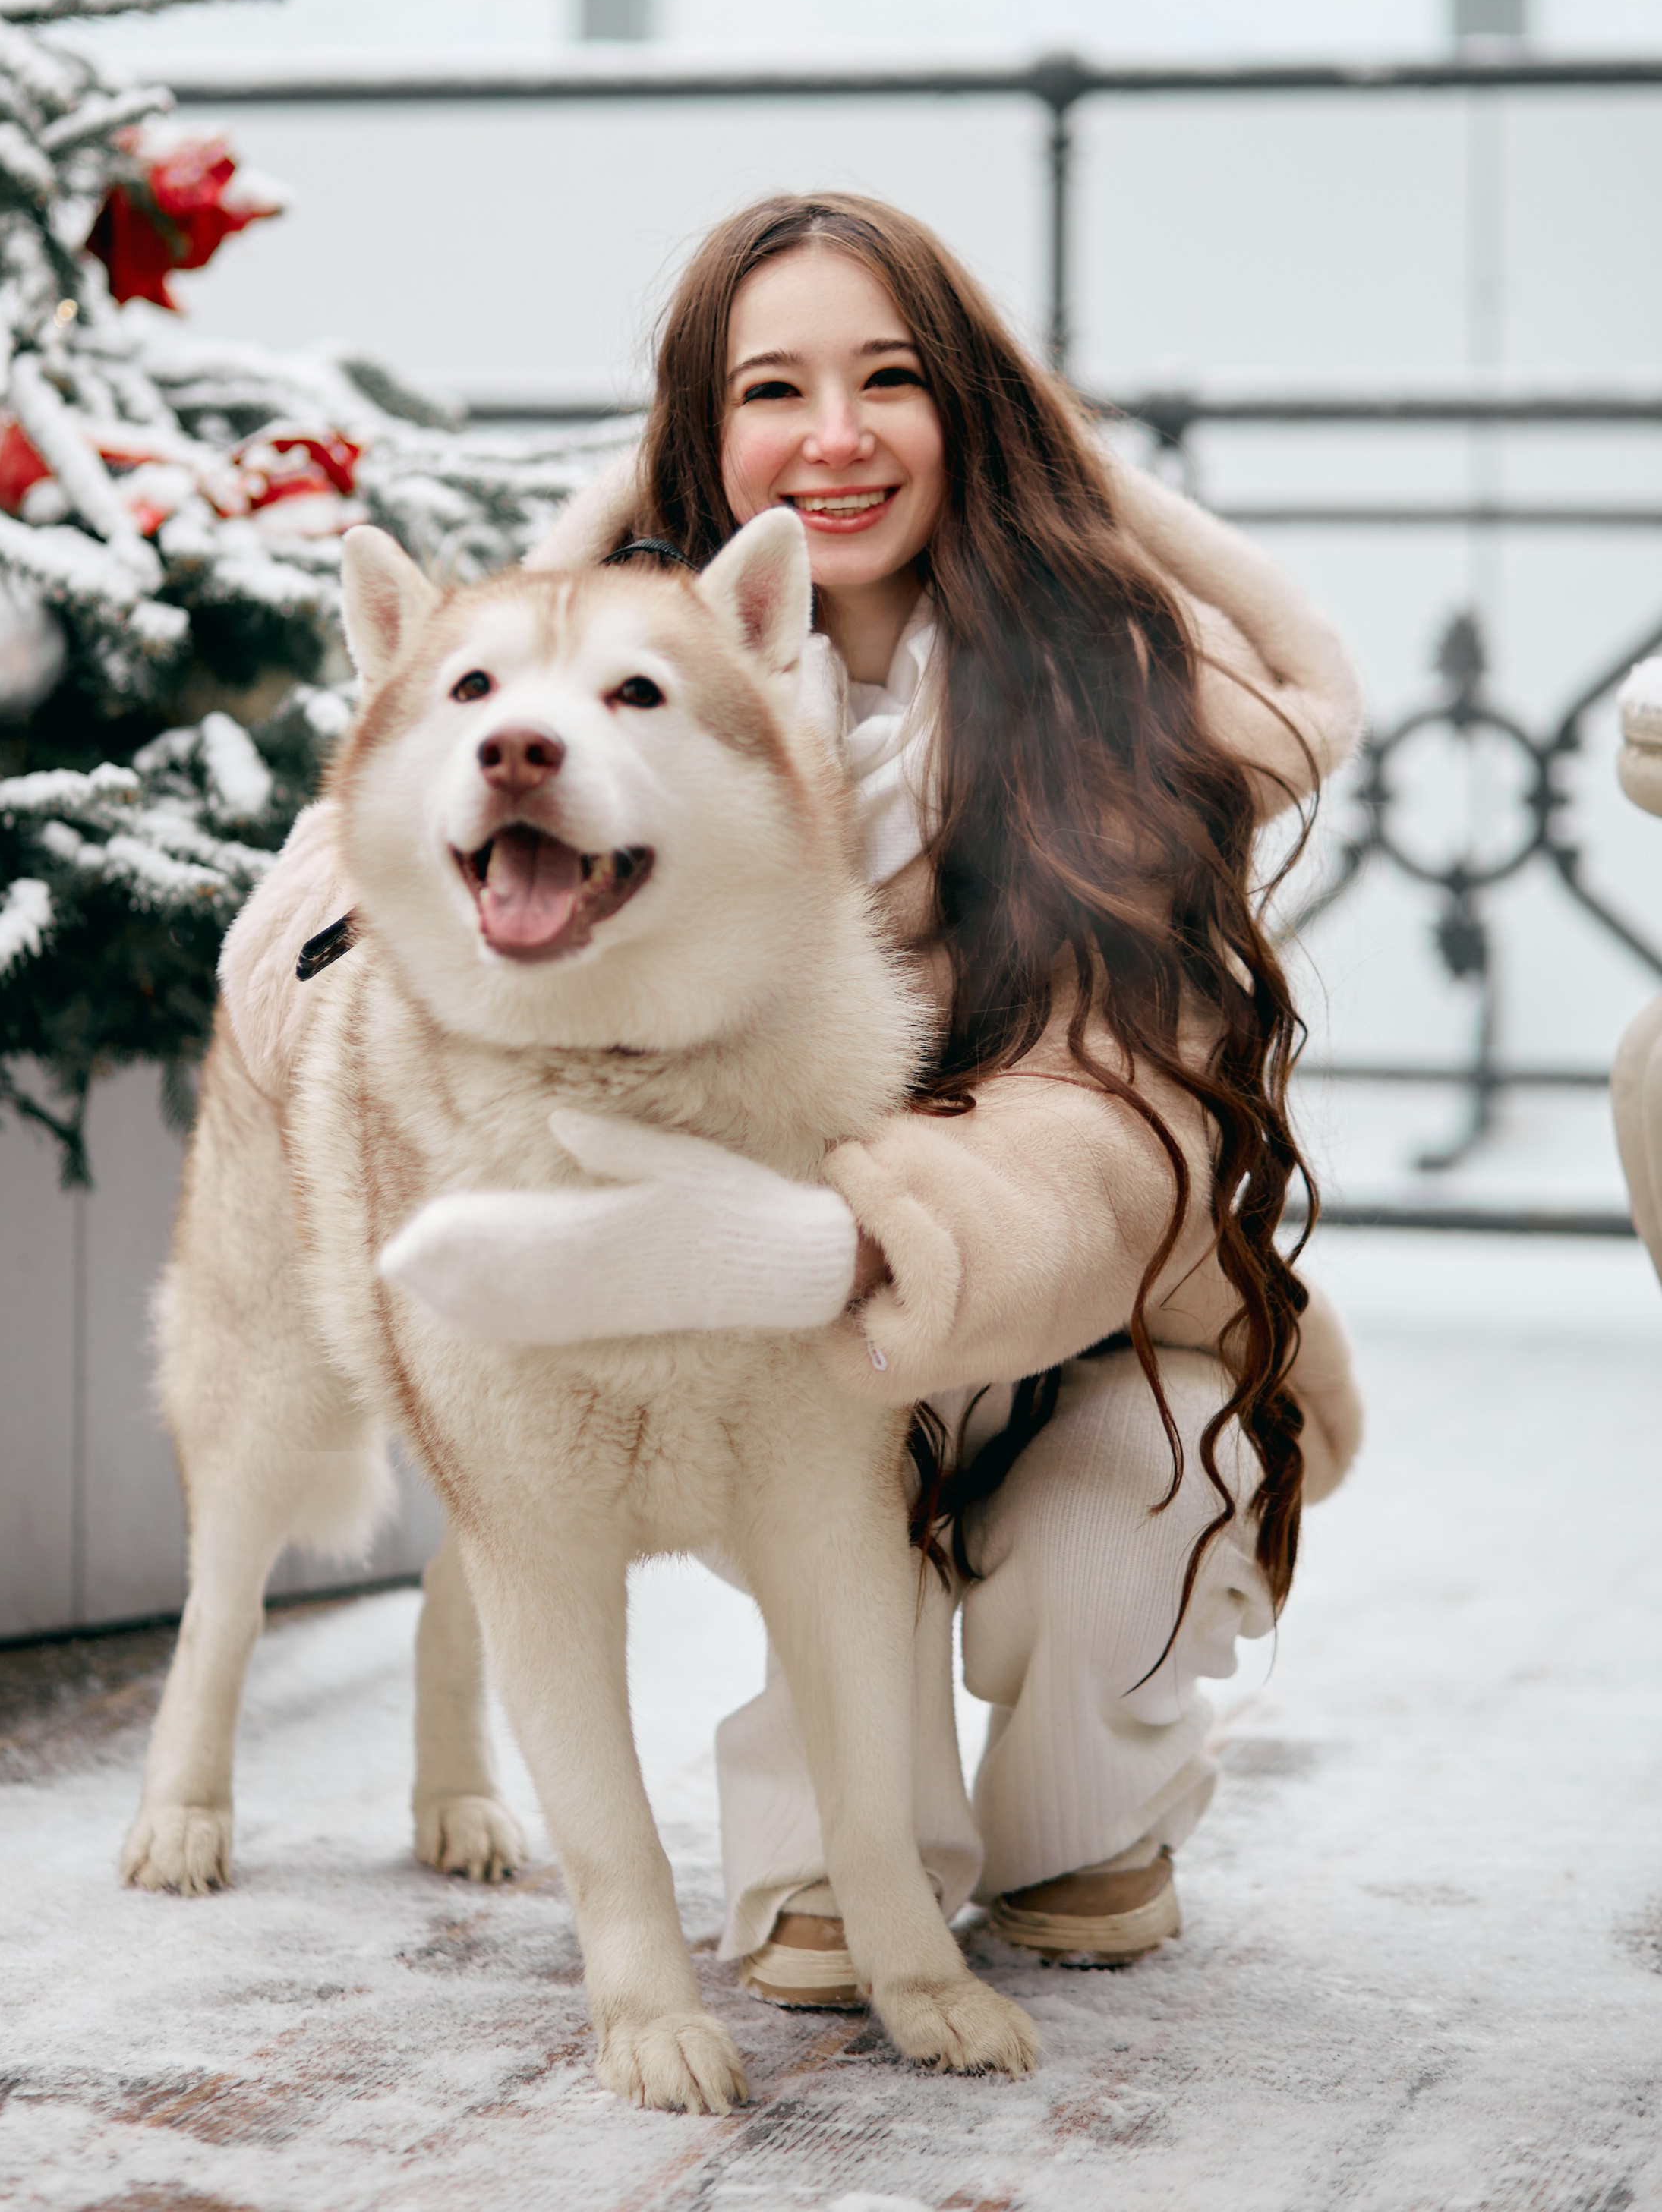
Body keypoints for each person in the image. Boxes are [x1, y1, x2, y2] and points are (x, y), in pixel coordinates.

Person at [219, 191, 1365, 2004]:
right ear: (703, 434)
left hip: (1098, 1333)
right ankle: (849, 1837)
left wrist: (829, 1239)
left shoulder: (1114, 721)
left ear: (969, 411)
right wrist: (409, 961)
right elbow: (336, 913)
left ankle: (1098, 1802)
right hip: (829, 1369)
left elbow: (1116, 1140)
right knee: (829, 1819)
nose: (831, 438)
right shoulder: (624, 683)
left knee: (1086, 1571)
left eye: (888, 378)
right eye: (774, 389)